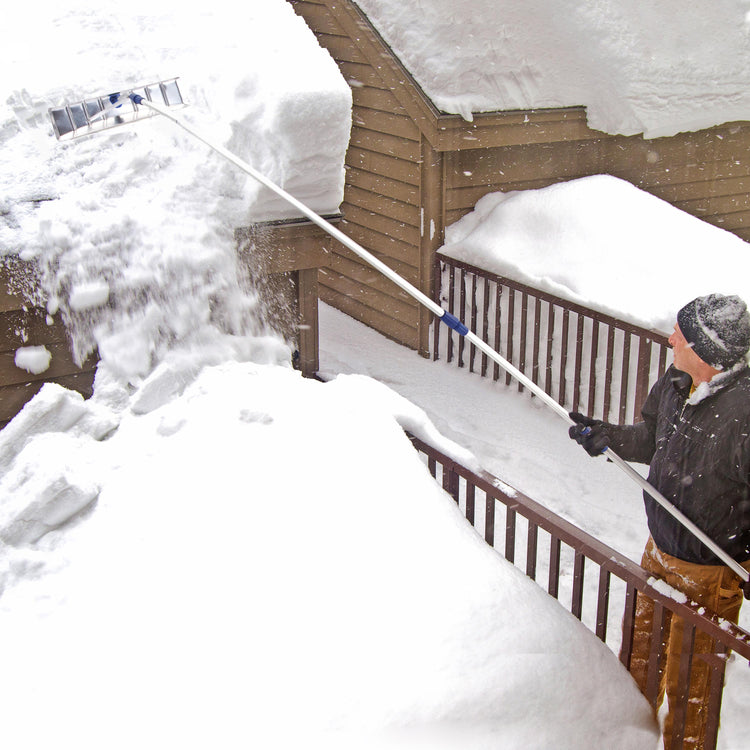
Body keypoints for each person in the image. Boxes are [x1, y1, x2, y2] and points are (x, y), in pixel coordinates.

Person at [568, 293, 750, 750]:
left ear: (708, 352)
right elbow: (652, 439)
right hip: (659, 548)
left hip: (711, 572)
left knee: (692, 687)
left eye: (681, 336)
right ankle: (630, 738)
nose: (671, 339)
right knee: (639, 657)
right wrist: (609, 437)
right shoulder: (676, 380)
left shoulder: (744, 414)